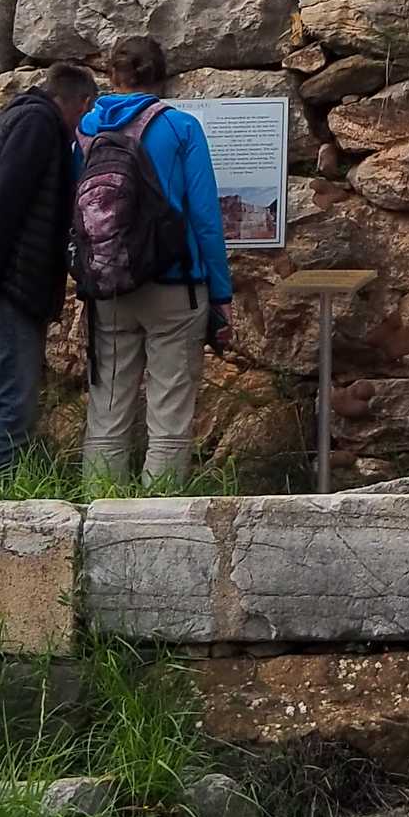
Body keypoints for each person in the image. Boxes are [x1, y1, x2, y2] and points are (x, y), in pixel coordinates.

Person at [74, 35, 234, 485]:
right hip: (175, 285)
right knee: (170, 411)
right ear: (163, 77)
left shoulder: (85, 130)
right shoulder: (180, 128)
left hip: (109, 284)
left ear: (112, 75)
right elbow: (205, 218)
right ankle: (159, 514)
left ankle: (100, 504)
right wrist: (220, 293)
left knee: (107, 410)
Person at [0, 61, 96, 472]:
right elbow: (1, 206)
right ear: (83, 103)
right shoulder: (38, 127)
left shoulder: (21, 117)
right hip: (13, 282)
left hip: (5, 279)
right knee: (16, 407)